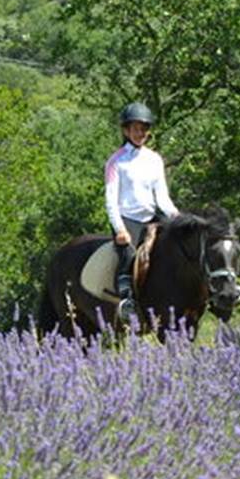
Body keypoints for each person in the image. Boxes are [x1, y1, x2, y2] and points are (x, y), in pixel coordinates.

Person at [105, 102, 179, 323]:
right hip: (128, 218)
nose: (140, 133)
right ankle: (126, 300)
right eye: (136, 129)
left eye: (144, 129)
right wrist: (119, 229)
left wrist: (178, 218)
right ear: (126, 130)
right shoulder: (116, 161)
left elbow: (162, 197)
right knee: (127, 253)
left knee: (180, 242)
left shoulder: (154, 159)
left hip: (151, 215)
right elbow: (111, 199)